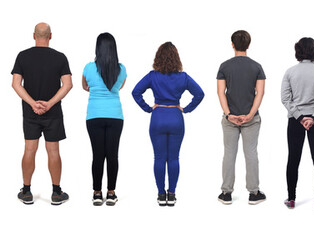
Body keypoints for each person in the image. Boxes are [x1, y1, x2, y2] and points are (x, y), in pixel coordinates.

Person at [132, 42, 204, 207]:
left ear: (158, 57)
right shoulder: (183, 77)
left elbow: (135, 92)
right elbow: (199, 94)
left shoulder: (152, 76)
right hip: (176, 117)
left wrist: (148, 108)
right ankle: (171, 195)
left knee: (158, 158)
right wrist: (185, 109)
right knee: (173, 158)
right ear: (176, 58)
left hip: (157, 118)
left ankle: (160, 194)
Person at [12, 22, 73, 205]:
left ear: (33, 36)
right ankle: (56, 193)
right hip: (52, 113)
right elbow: (68, 84)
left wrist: (32, 103)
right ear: (50, 36)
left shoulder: (23, 56)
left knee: (29, 149)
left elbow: (16, 84)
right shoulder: (60, 57)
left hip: (30, 113)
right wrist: (50, 103)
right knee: (53, 151)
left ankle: (26, 191)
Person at [216, 30, 267, 205]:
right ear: (248, 44)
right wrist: (251, 114)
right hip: (250, 119)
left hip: (230, 118)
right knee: (251, 153)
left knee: (229, 153)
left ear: (232, 44)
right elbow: (260, 93)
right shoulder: (257, 66)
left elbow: (220, 92)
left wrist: (229, 114)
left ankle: (226, 194)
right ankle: (254, 193)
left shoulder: (224, 66)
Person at [281, 37, 314, 209]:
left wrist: (299, 117)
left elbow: (285, 98)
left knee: (293, 159)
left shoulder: (289, 72)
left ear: (297, 51)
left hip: (295, 121)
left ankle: (291, 199)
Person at [82, 32, 127, 206]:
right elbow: (119, 87)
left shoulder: (88, 67)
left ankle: (96, 193)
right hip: (115, 116)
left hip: (94, 116)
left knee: (97, 155)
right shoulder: (121, 69)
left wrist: (95, 89)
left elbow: (85, 86)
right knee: (113, 155)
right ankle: (111, 193)